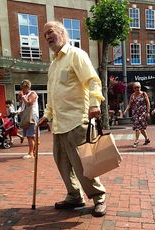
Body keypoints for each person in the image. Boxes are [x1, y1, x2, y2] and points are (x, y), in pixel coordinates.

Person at [38, 21, 106, 217]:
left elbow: (93, 80)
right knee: (63, 163)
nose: (47, 37)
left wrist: (94, 103)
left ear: (61, 33)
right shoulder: (53, 64)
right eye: (44, 35)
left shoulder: (76, 54)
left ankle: (99, 197)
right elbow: (52, 94)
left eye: (50, 32)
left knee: (84, 164)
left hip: (77, 120)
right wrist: (47, 115)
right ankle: (74, 196)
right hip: (59, 124)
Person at [123, 82, 151, 148]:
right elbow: (129, 104)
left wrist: (148, 112)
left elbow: (148, 103)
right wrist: (125, 111)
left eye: (138, 87)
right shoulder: (132, 95)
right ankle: (145, 139)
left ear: (140, 87)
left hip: (142, 113)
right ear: (133, 88)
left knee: (140, 128)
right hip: (135, 114)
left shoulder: (144, 94)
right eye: (135, 87)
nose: (137, 89)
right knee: (138, 128)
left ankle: (137, 140)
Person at [18, 80, 39, 159]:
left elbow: (29, 103)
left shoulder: (32, 94)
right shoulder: (26, 94)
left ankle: (31, 153)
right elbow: (23, 105)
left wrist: (23, 98)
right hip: (27, 116)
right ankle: (33, 152)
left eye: (23, 88)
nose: (22, 90)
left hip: (31, 116)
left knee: (30, 135)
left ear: (27, 87)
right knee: (30, 136)